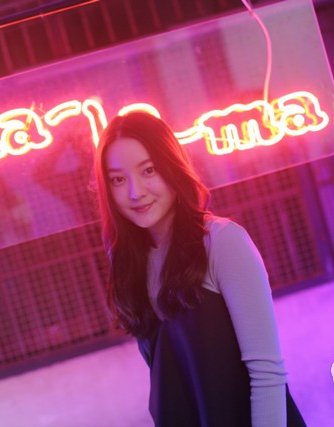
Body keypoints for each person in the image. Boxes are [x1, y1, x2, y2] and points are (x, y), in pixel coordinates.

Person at [93, 111, 306, 426]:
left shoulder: (222, 241)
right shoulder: (127, 263)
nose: (136, 192)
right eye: (118, 180)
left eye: (149, 170)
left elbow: (267, 374)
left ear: (171, 166)